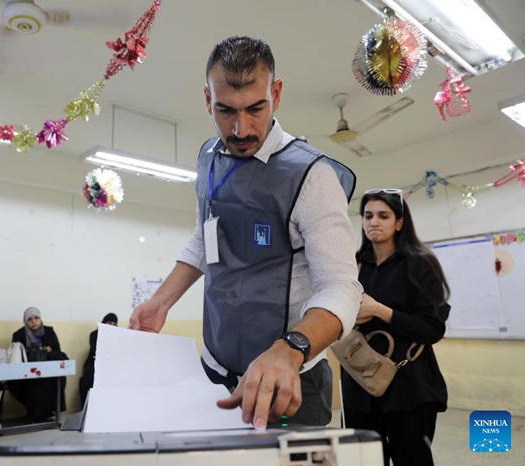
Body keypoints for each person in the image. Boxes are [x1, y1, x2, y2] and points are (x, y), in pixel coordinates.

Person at [128, 36, 362, 429]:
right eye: (225, 110)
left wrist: (292, 349)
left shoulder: (312, 176)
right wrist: (161, 301)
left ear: (277, 93)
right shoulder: (208, 158)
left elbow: (342, 286)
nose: (240, 129)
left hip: (288, 379)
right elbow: (206, 237)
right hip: (215, 369)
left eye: (256, 108)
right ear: (207, 99)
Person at [342, 189, 450, 466]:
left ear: (399, 222)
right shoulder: (352, 266)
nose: (373, 222)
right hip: (358, 387)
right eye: (367, 216)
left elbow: (432, 329)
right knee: (363, 461)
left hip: (409, 388)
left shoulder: (420, 264)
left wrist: (380, 311)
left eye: (383, 216)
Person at [8, 307, 68, 422]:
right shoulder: (19, 334)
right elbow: (17, 355)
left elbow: (57, 350)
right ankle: (39, 416)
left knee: (58, 378)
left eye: (36, 318)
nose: (34, 321)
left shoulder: (49, 332)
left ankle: (50, 411)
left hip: (48, 370)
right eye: (30, 319)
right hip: (28, 373)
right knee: (36, 383)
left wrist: (48, 351)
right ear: (25, 321)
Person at [79, 313, 118, 407]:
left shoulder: (117, 335)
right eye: (109, 323)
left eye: (114, 324)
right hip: (94, 364)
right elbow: (97, 349)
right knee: (89, 379)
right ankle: (87, 407)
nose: (112, 326)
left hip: (110, 364)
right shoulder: (94, 334)